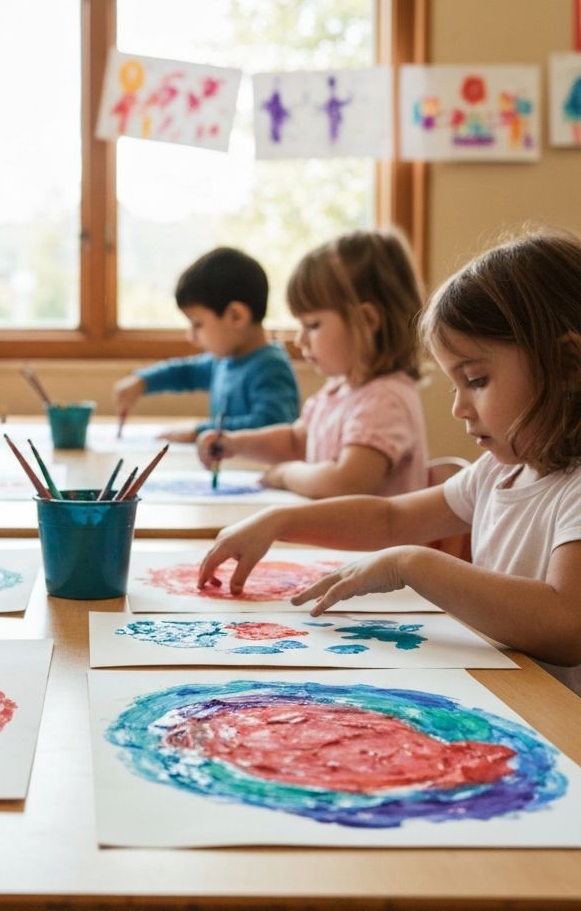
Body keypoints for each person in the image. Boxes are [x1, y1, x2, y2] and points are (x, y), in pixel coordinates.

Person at [198, 231, 581, 696]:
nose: (459, 408)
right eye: (455, 385)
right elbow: (390, 517)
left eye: (476, 379)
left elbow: (567, 625)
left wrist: (412, 563)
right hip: (508, 696)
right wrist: (281, 520)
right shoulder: (498, 471)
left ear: (568, 365)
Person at [196, 229, 427, 498]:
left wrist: (286, 473)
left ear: (366, 321)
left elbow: (345, 483)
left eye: (313, 325)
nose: (300, 339)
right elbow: (297, 441)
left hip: (378, 542)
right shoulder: (340, 390)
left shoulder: (384, 400)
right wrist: (235, 444)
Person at [112, 247, 299, 444]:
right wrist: (142, 382)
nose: (191, 336)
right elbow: (186, 373)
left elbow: (270, 426)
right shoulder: (225, 362)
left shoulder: (270, 367)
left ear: (236, 316)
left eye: (197, 324)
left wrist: (200, 432)